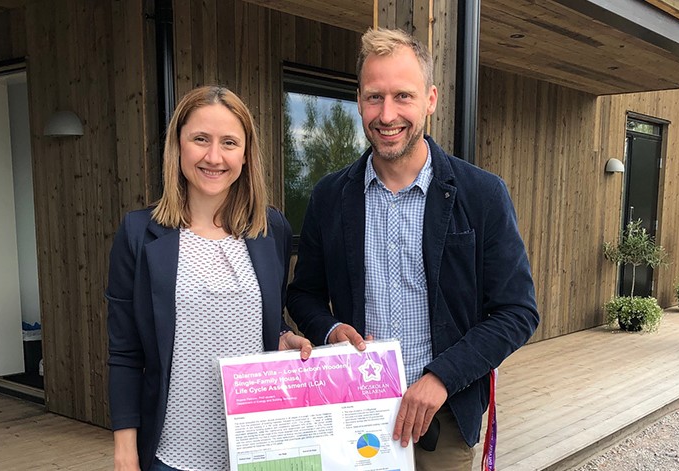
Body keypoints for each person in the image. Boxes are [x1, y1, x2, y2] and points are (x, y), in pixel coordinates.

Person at [286, 28, 539, 470]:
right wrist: (329, 330)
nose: (387, 114)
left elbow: (517, 312)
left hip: (442, 417)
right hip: (352, 410)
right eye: (374, 97)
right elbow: (302, 293)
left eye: (403, 96)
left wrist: (442, 376)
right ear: (359, 100)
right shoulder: (329, 196)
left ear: (430, 99)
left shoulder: (481, 194)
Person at [106, 85, 312, 471]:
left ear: (246, 154)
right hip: (172, 456)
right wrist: (125, 450)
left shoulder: (271, 231)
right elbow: (125, 352)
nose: (214, 157)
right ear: (178, 145)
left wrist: (283, 336)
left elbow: (265, 319)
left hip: (259, 452)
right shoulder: (138, 234)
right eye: (200, 139)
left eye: (229, 142)